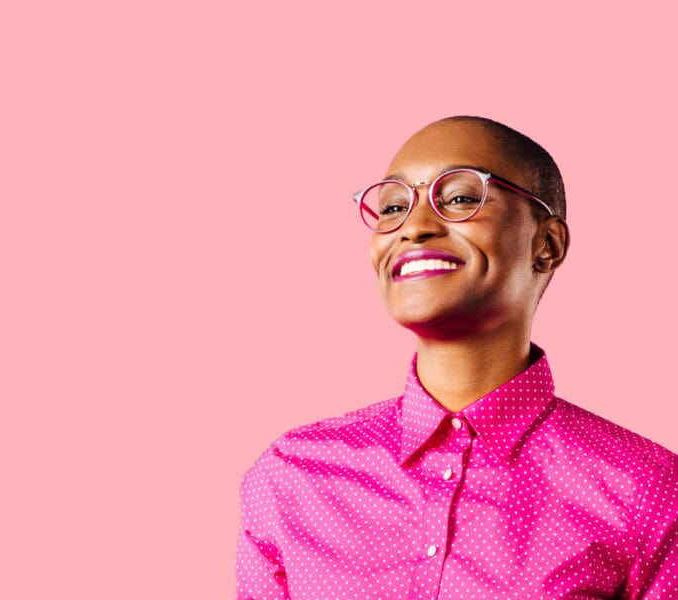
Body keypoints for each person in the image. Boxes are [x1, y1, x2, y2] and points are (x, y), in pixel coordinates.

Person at [235, 116, 678, 599]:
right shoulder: (292, 476)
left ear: (546, 244)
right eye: (393, 207)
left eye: (461, 198)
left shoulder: (648, 492)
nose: (415, 227)